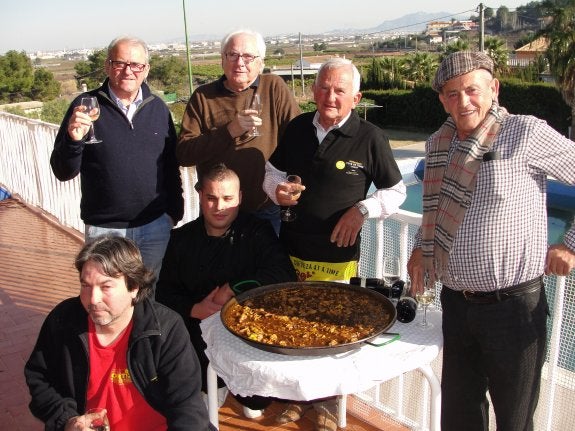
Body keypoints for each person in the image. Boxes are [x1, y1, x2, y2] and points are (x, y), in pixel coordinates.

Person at [407, 51, 575, 431]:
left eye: (472, 90)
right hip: (457, 305)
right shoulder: (439, 144)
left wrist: (571, 244)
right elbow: (434, 208)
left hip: (513, 310)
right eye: (452, 93)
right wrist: (421, 243)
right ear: (442, 99)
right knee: (460, 417)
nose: (463, 101)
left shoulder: (525, 132)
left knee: (514, 422)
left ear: (493, 89)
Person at [262, 57, 406, 430]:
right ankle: (295, 398)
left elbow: (396, 190)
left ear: (355, 97)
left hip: (338, 257)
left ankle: (327, 405)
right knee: (289, 323)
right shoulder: (296, 128)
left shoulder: (370, 137)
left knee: (331, 329)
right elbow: (272, 173)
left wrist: (362, 210)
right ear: (313, 90)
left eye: (340, 90)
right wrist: (276, 191)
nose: (330, 95)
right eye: (324, 87)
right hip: (291, 247)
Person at [24, 236, 214, 431]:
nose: (93, 299)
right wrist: (68, 420)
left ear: (134, 287)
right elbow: (39, 377)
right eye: (86, 285)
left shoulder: (166, 330)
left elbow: (187, 408)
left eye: (105, 286)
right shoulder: (63, 320)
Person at [155, 163, 297, 418]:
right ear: (200, 196)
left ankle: (245, 390)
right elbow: (163, 292)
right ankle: (211, 384)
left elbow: (284, 275)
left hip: (247, 334)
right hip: (198, 335)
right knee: (200, 406)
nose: (219, 207)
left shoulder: (257, 231)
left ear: (240, 197)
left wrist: (230, 289)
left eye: (228, 198)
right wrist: (195, 308)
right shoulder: (180, 240)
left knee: (257, 404)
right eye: (211, 198)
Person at [50, 36, 183, 281]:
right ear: (107, 66)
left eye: (136, 65)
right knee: (108, 298)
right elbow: (63, 171)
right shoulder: (85, 106)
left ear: (146, 70)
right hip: (105, 230)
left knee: (149, 296)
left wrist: (174, 213)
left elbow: (170, 166)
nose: (128, 71)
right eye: (120, 63)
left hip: (154, 226)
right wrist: (73, 138)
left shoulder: (158, 109)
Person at [177, 29, 301, 234]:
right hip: (218, 210)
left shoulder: (273, 87)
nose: (239, 62)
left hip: (266, 208)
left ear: (260, 63)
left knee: (265, 265)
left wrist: (294, 180)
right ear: (222, 60)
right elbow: (184, 153)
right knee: (220, 266)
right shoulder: (202, 97)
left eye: (248, 56)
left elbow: (298, 139)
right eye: (232, 55)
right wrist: (229, 131)